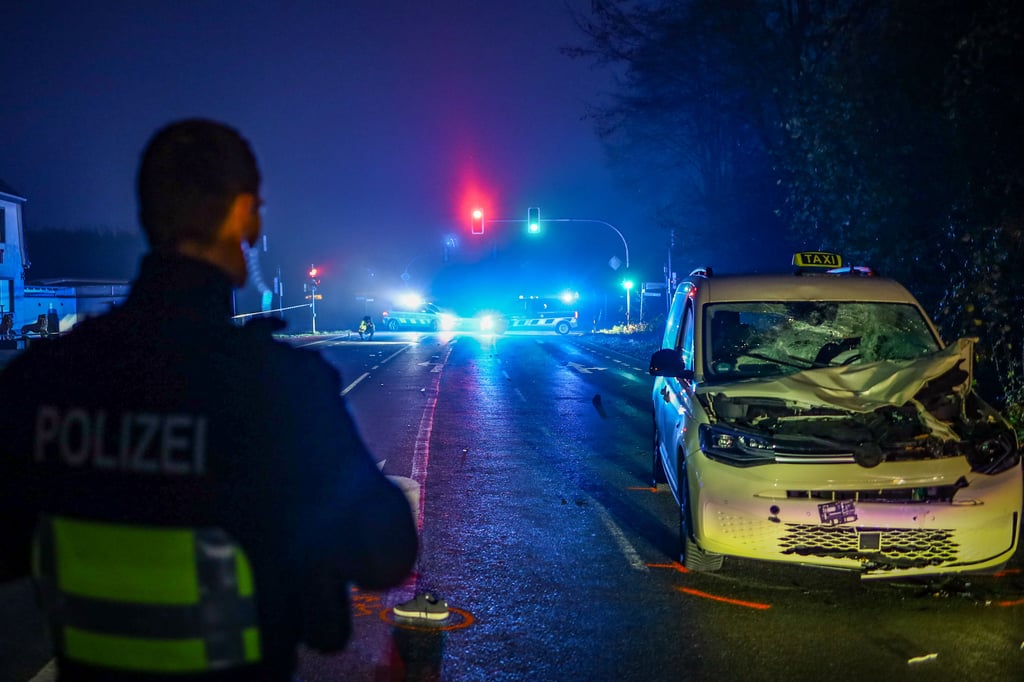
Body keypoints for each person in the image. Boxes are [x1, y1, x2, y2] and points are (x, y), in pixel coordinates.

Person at [0, 119, 417, 681]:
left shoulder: (43, 379)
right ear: (243, 215)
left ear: (150, 219)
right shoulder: (279, 387)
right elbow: (386, 551)